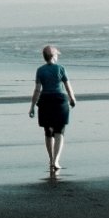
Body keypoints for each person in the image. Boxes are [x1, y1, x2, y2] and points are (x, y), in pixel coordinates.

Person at [28, 44, 77, 175]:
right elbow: (67, 85)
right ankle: (56, 160)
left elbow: (37, 89)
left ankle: (51, 159)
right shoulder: (61, 68)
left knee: (48, 131)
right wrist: (72, 99)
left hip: (45, 101)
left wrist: (32, 106)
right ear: (54, 56)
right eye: (57, 55)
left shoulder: (40, 70)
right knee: (59, 131)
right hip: (60, 100)